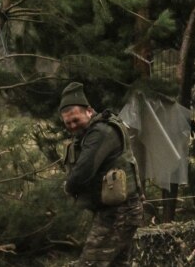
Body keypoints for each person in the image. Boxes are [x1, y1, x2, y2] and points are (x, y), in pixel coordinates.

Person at [58, 82, 144, 266]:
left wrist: (68, 186)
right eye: (68, 123)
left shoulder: (102, 132)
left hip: (119, 213)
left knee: (90, 263)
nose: (73, 125)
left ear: (89, 111)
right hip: (121, 211)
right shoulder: (91, 132)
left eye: (76, 120)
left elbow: (83, 171)